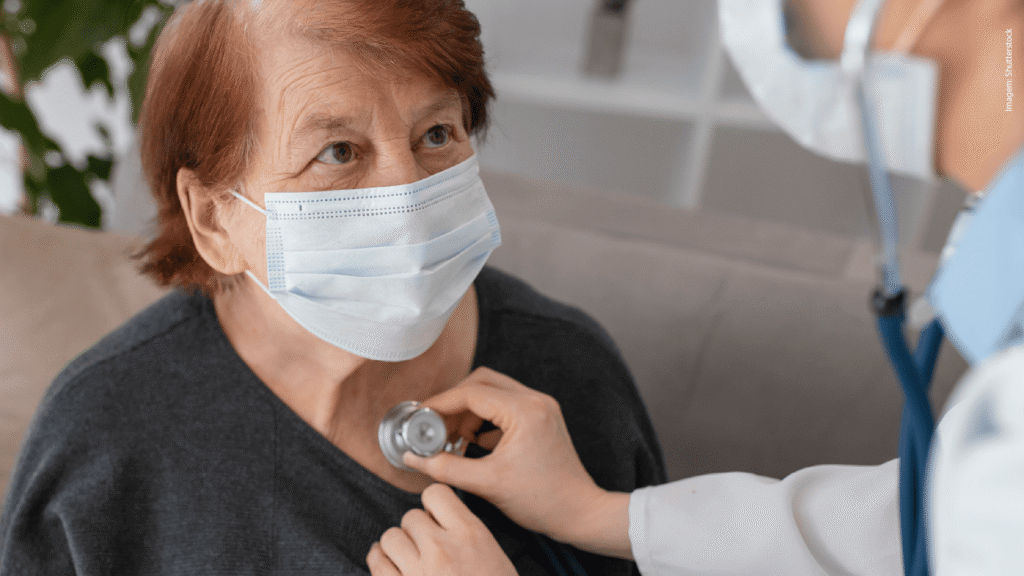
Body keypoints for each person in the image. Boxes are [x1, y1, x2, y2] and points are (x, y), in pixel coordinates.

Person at [0, 1, 666, 574]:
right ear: (214, 219)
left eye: (436, 134)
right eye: (338, 152)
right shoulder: (104, 440)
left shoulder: (570, 375)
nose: (407, 201)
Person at [364, 0, 1024, 574]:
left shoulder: (568, 359)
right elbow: (917, 528)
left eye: (437, 134)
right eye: (339, 152)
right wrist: (598, 515)